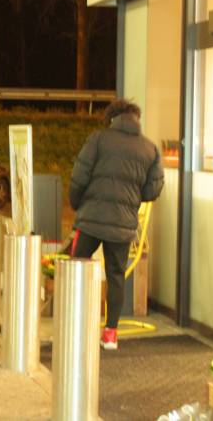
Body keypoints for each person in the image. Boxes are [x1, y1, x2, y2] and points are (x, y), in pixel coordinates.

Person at [69, 99, 164, 351]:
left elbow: (79, 176)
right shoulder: (150, 149)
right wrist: (132, 197)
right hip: (123, 224)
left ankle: (74, 324)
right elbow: (153, 189)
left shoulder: (98, 139)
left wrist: (77, 204)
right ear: (136, 119)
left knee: (76, 266)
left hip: (90, 219)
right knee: (115, 276)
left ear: (112, 117)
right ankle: (110, 333)